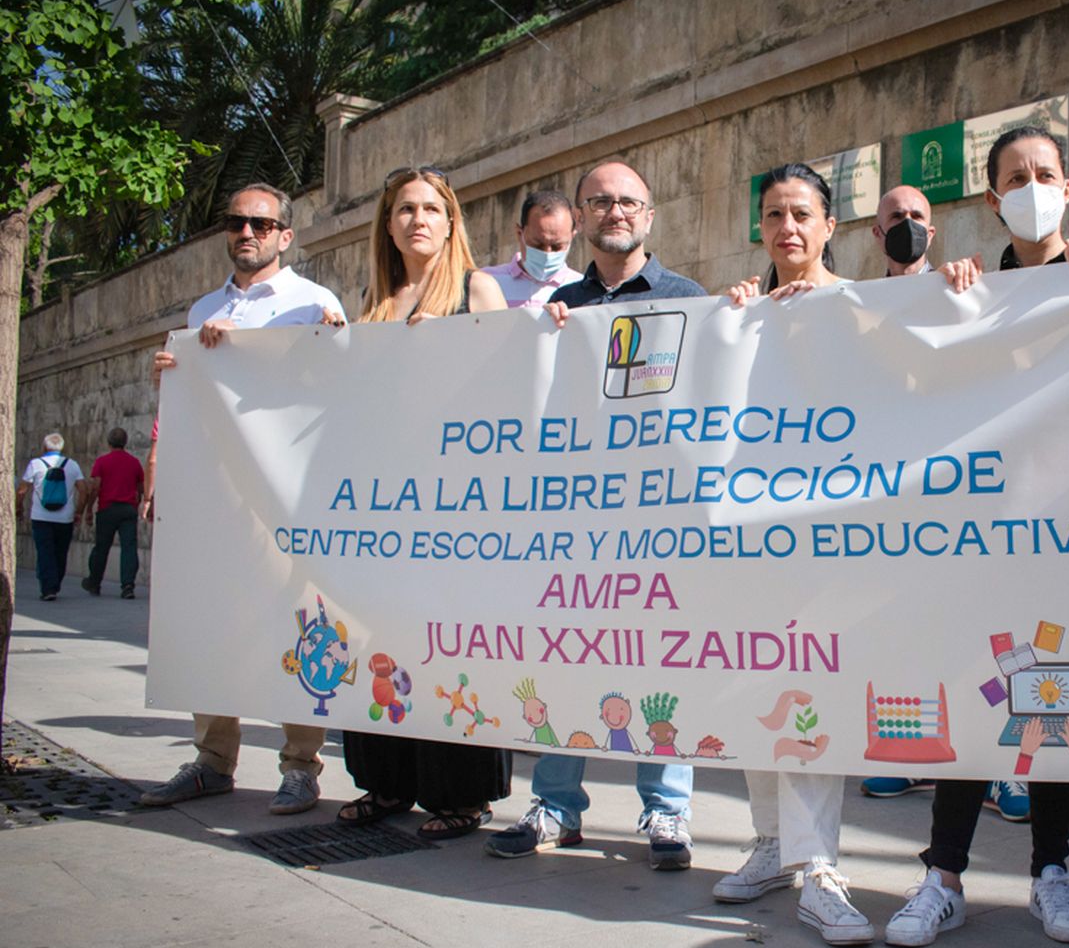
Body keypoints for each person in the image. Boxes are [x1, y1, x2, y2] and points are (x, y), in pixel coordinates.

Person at [883, 128, 1069, 948]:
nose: (1032, 186)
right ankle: (943, 875)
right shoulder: (968, 288)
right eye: (1015, 177)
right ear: (992, 199)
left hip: (1065, 533)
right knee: (965, 692)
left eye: (1044, 173)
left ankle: (1052, 871)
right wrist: (940, 295)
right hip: (977, 535)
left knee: (1054, 696)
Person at [491, 159, 702, 866]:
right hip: (576, 527)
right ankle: (555, 807)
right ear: (579, 217)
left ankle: (667, 813)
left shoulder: (690, 300)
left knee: (662, 667)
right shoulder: (558, 311)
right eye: (601, 202)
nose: (616, 212)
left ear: (650, 215)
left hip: (662, 525)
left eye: (629, 202)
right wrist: (538, 347)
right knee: (562, 661)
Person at [707, 163, 874, 946]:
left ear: (829, 225)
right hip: (749, 542)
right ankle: (772, 844)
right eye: (774, 215)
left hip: (828, 542)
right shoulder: (743, 314)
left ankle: (818, 872)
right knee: (757, 692)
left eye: (802, 214)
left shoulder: (861, 309)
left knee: (811, 695)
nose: (788, 229)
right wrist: (731, 323)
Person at [141, 182, 344, 816]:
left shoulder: (314, 303)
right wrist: (176, 373)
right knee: (211, 621)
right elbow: (190, 407)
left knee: (299, 620)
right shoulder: (204, 308)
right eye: (236, 222)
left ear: (286, 234)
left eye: (261, 223)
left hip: (288, 497)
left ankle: (300, 766)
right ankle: (212, 759)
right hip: (214, 494)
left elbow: (339, 390)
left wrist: (336, 343)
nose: (247, 232)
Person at [334, 166, 510, 837]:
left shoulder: (477, 289)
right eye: (405, 209)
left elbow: (509, 386)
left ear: (451, 221)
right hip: (382, 510)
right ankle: (386, 785)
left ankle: (461, 794)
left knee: (451, 648)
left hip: (458, 509)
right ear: (387, 224)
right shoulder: (371, 302)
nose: (418, 220)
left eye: (432, 209)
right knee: (382, 644)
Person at [857, 183, 1031, 824]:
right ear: (875, 235)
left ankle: (999, 770)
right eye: (894, 219)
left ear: (935, 232)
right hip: (886, 503)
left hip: (958, 495)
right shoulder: (852, 309)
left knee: (977, 633)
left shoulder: (963, 290)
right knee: (899, 629)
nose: (906, 226)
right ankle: (902, 753)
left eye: (917, 218)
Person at [479, 190, 582, 308]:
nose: (547, 254)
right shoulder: (484, 282)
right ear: (519, 233)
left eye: (557, 246)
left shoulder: (584, 289)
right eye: (537, 244)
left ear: (571, 237)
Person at [17, 433, 86, 601]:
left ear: (44, 447)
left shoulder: (35, 464)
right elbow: (84, 491)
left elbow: (22, 490)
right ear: (62, 448)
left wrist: (18, 507)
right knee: (60, 552)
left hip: (41, 516)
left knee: (45, 552)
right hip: (65, 518)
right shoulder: (72, 465)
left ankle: (48, 587)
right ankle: (55, 584)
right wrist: (79, 512)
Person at [80, 426, 145, 599]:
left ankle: (94, 581)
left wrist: (89, 509)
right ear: (125, 443)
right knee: (129, 548)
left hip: (107, 508)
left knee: (101, 547)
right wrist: (136, 504)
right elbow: (140, 488)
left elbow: (96, 487)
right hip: (128, 509)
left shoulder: (102, 462)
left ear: (109, 443)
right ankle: (128, 585)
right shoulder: (134, 462)